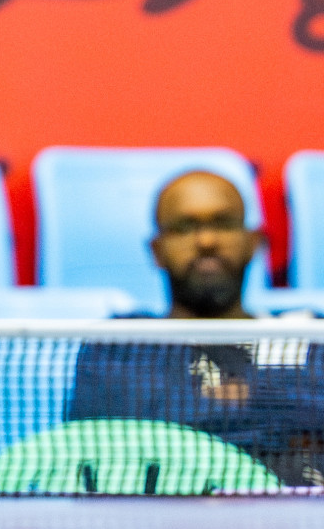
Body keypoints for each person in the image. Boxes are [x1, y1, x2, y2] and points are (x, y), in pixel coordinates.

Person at [69, 171, 324, 485]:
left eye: (223, 222)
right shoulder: (120, 343)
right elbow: (105, 429)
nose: (206, 241)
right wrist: (275, 410)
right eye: (185, 227)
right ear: (157, 250)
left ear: (254, 242)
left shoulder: (307, 333)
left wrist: (244, 397)